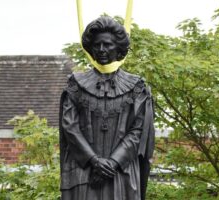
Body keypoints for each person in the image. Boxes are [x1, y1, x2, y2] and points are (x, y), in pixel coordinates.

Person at [59, 16, 155, 200]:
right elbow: (69, 127)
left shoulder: (137, 87)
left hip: (121, 173)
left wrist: (113, 162)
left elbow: (139, 131)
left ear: (118, 47)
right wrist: (94, 161)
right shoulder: (76, 85)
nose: (101, 49)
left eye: (108, 45)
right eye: (97, 45)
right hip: (83, 172)